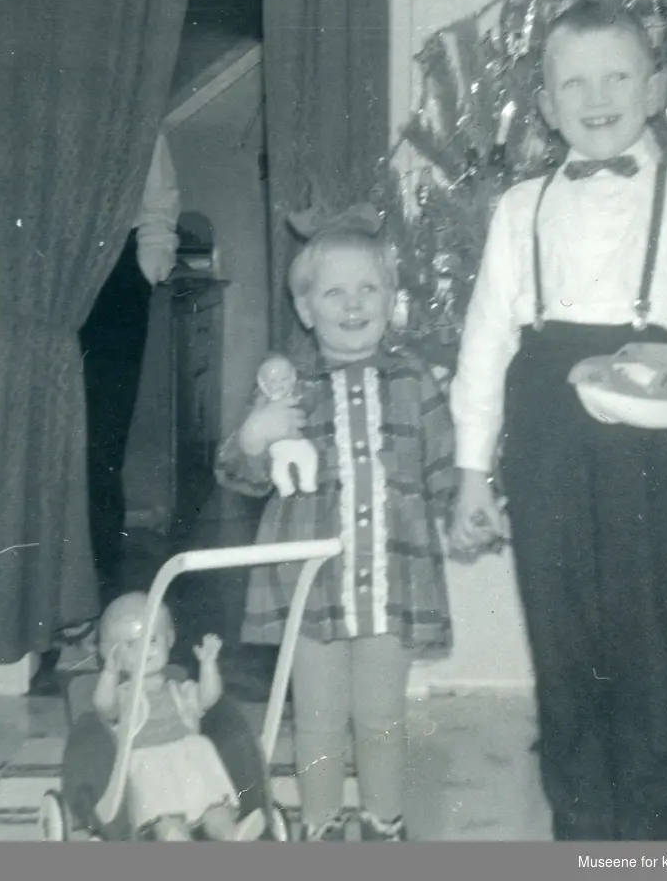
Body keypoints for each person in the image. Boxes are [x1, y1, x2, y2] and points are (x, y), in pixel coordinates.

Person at [447, 0, 667, 842]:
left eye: (617, 76)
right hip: (542, 438)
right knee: (562, 656)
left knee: (647, 658)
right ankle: (578, 838)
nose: (597, 96)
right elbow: (484, 344)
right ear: (544, 105)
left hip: (654, 448)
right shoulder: (518, 210)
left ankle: (648, 844)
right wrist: (471, 471)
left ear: (653, 91)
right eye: (573, 82)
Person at [216, 206, 459, 842]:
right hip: (310, 587)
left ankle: (383, 824)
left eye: (368, 289)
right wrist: (254, 436)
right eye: (333, 292)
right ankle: (319, 827)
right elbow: (238, 475)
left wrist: (470, 506)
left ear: (391, 299)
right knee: (319, 719)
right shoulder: (286, 390)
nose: (352, 305)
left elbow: (446, 470)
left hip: (394, 578)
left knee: (381, 716)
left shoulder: (418, 382)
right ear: (305, 310)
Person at [60, 591, 265, 841]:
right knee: (168, 819)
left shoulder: (177, 688)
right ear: (113, 652)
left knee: (215, 808)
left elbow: (208, 698)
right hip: (148, 765)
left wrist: (208, 665)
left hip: (190, 761)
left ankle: (230, 834)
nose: (145, 649)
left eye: (153, 639)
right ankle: (175, 837)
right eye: (131, 644)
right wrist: (110, 673)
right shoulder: (124, 695)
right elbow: (103, 706)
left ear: (169, 639)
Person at [79, 132, 181, 603]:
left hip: (117, 271)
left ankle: (100, 582)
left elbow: (158, 198)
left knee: (104, 432)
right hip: (51, 264)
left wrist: (145, 267)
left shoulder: (129, 95)